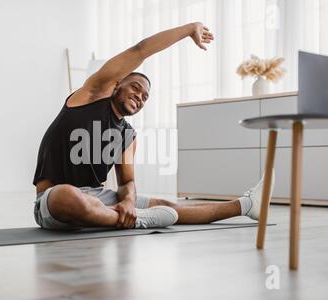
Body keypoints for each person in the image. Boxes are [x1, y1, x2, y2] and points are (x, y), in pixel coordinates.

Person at [33, 22, 275, 230]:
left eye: (145, 97)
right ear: (116, 85)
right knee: (66, 195)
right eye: (135, 88)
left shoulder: (127, 135)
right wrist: (190, 29)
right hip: (53, 200)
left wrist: (128, 202)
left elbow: (127, 183)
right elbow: (141, 50)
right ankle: (134, 220)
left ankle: (247, 205)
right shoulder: (92, 94)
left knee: (168, 206)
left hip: (98, 199)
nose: (140, 96)